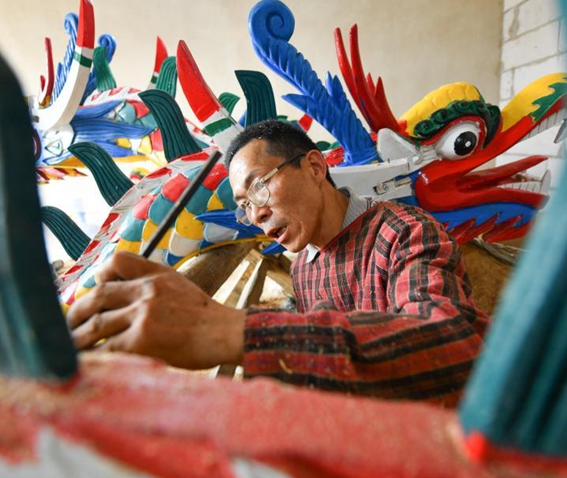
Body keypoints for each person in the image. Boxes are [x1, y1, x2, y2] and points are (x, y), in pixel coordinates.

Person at [67, 120, 489, 406]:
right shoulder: (303, 265)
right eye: (244, 205)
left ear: (315, 167)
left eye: (260, 188)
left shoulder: (403, 231)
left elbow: (452, 342)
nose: (256, 214)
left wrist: (229, 329)